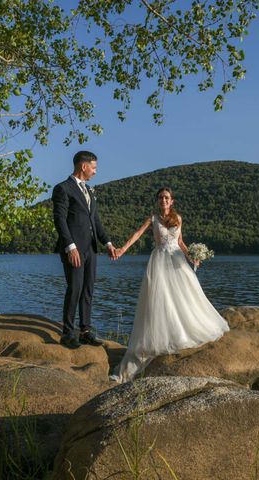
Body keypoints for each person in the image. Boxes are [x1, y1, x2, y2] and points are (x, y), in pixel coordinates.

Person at [110, 187, 229, 382]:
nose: (163, 200)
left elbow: (180, 242)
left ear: (172, 201)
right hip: (159, 262)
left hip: (177, 261)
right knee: (160, 299)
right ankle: (156, 341)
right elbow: (137, 235)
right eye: (160, 198)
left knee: (185, 298)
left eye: (166, 197)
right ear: (158, 201)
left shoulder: (178, 218)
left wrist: (192, 257)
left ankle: (181, 332)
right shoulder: (153, 218)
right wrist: (122, 249)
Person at [52, 151, 117, 349]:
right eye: (94, 167)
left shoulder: (89, 191)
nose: (96, 172)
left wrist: (107, 243)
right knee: (75, 289)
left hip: (91, 249)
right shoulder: (62, 189)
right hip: (74, 249)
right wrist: (69, 246)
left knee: (88, 289)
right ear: (84, 166)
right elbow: (60, 220)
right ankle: (68, 333)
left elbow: (94, 221)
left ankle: (86, 331)